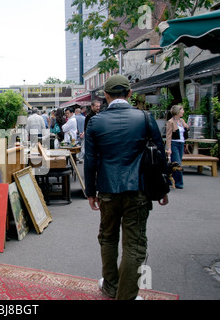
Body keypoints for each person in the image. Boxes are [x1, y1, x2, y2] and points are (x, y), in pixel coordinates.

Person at [84, 74, 169, 300]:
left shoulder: (94, 121)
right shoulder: (144, 118)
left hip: (108, 190)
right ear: (130, 94)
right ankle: (127, 296)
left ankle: (110, 287)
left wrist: (90, 192)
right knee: (135, 246)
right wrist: (164, 188)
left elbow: (90, 160)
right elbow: (159, 155)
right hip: (139, 189)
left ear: (106, 96)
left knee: (108, 238)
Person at [165, 104, 189, 189]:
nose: (183, 111)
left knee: (176, 162)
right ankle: (179, 183)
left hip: (181, 143)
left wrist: (187, 126)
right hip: (174, 143)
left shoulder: (182, 121)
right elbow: (168, 136)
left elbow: (186, 128)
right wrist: (168, 148)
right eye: (181, 110)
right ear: (177, 111)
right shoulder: (170, 122)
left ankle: (170, 180)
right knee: (178, 163)